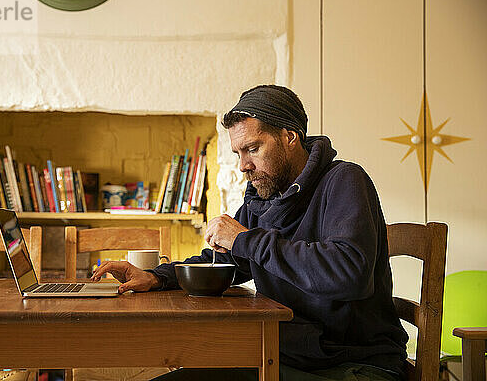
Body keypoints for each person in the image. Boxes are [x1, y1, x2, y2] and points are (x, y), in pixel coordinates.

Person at [91, 85, 408, 381]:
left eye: (253, 149)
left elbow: (349, 274)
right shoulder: (264, 197)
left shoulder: (344, 181)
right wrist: (156, 277)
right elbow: (226, 262)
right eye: (238, 154)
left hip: (352, 365)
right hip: (289, 353)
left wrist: (245, 239)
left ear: (289, 136)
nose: (243, 165)